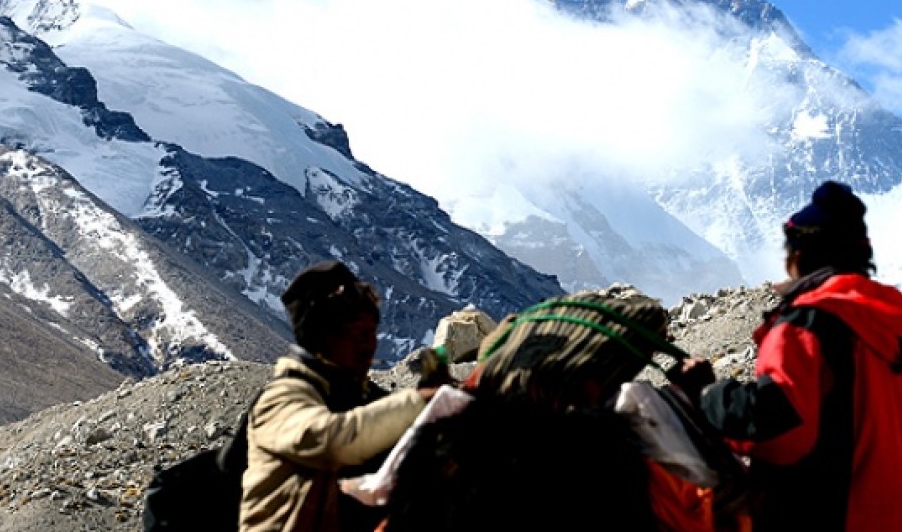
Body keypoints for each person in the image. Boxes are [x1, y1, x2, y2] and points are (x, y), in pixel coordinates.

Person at [378, 289, 741, 532]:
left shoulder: (440, 440)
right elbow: (699, 511)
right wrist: (693, 404)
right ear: (585, 382)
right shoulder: (596, 453)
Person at [696, 180, 902, 531]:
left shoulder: (808, 324)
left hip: (828, 516)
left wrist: (711, 396)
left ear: (799, 255)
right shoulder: (892, 315)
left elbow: (780, 430)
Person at [239, 260, 439, 532]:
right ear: (323, 338)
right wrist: (420, 402)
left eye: (371, 333)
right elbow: (331, 439)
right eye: (356, 335)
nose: (368, 346)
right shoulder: (282, 398)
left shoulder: (363, 398)